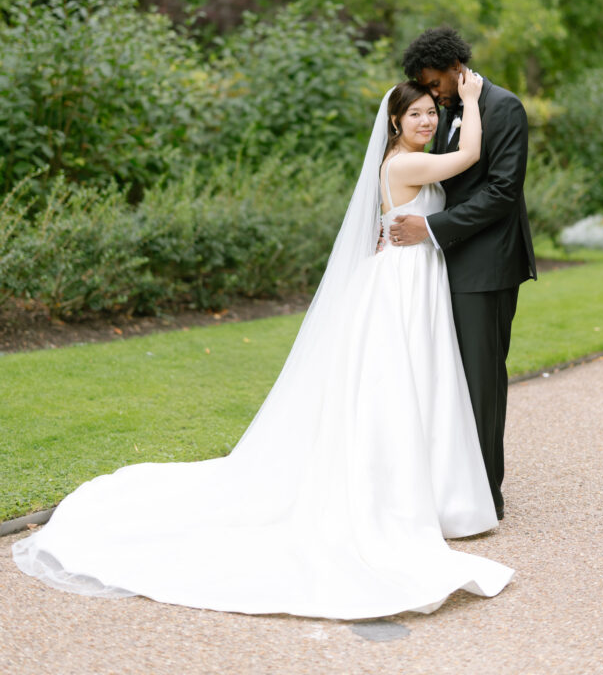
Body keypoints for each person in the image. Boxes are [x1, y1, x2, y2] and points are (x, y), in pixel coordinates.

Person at [13, 76, 513, 620]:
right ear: (394, 122)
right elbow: (471, 154)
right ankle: (402, 492)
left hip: (409, 277)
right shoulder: (404, 164)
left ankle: (422, 486)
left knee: (413, 380)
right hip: (404, 283)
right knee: (404, 380)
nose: (427, 121)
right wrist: (468, 99)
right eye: (415, 114)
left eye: (430, 113)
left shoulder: (399, 161)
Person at [391, 27, 537, 521]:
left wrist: (430, 228)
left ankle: (485, 496)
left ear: (457, 66)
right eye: (425, 89)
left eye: (435, 83)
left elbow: (501, 192)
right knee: (445, 381)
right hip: (441, 263)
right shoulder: (450, 108)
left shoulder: (503, 107)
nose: (431, 96)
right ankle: (451, 487)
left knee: (480, 381)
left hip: (487, 265)